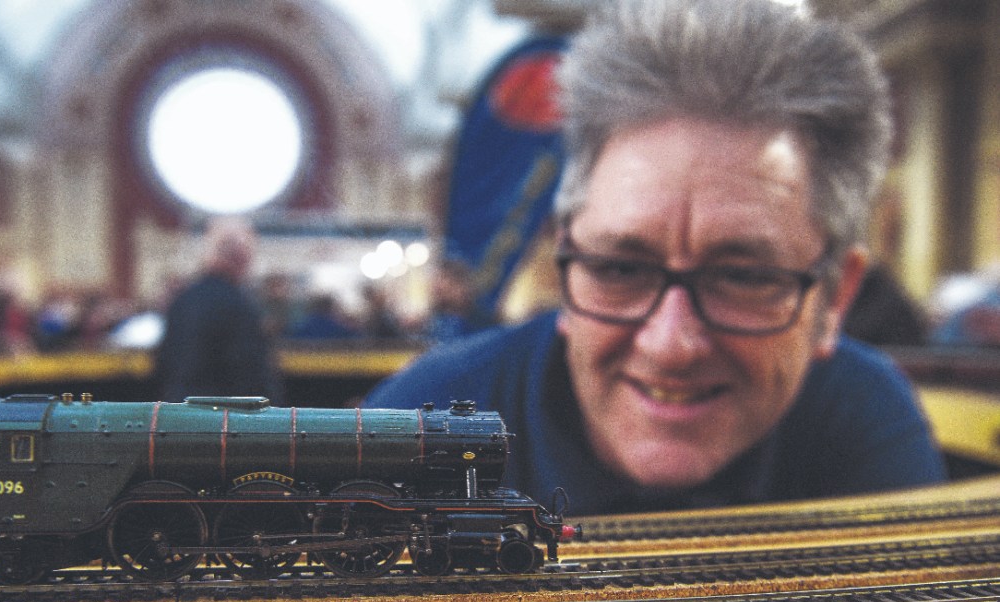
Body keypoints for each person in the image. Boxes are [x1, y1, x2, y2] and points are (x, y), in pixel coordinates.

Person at [364, 0, 946, 515]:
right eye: (619, 270)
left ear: (835, 299)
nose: (670, 344)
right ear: (567, 265)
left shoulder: (864, 426)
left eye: (742, 277)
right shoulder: (420, 428)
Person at [154, 216, 283, 402]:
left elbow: (163, 364)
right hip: (225, 419)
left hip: (179, 413)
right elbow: (251, 374)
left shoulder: (182, 301)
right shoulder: (240, 306)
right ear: (242, 257)